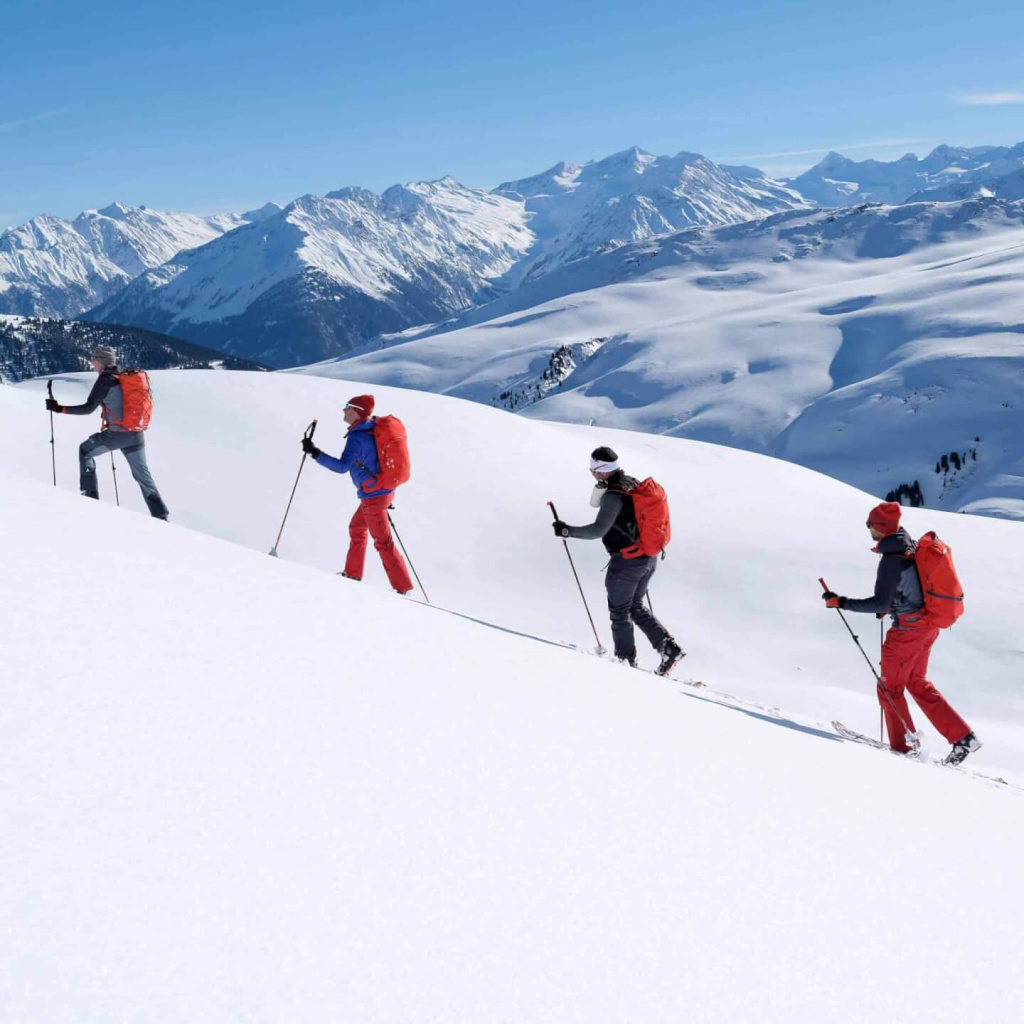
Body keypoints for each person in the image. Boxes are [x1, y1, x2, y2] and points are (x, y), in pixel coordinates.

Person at [821, 501, 981, 765]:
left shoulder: (891, 561)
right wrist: (895, 604)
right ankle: (963, 737)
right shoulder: (910, 549)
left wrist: (842, 602)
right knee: (917, 683)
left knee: (889, 688)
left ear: (881, 529)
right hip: (927, 625)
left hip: (907, 632)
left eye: (871, 526)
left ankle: (904, 747)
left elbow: (880, 602)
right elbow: (909, 591)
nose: (870, 531)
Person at [552, 446, 684, 674]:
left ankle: (625, 663)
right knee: (635, 607)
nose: (592, 473)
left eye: (594, 469)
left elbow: (597, 530)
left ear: (603, 470)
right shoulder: (632, 483)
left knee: (619, 611)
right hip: (647, 558)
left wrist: (567, 531)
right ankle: (668, 649)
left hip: (627, 562)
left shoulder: (614, 494)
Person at [303, 394, 413, 595]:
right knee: (357, 527)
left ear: (357, 411)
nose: (344, 410)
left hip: (374, 496)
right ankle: (353, 574)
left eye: (347, 406)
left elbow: (342, 467)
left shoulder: (357, 437)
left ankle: (403, 588)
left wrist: (315, 453)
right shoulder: (370, 428)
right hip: (382, 491)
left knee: (383, 542)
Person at [45, 346, 169, 520]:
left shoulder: (105, 380)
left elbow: (88, 408)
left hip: (116, 435)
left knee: (85, 450)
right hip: (136, 434)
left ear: (100, 361)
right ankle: (161, 514)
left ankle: (90, 496)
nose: (92, 363)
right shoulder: (125, 376)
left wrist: (60, 409)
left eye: (94, 360)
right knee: (143, 476)